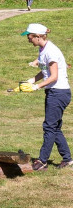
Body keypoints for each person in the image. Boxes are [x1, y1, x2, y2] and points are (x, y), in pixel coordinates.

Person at [24, 23, 71, 170]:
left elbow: (54, 76)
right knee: (55, 127)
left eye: (29, 37)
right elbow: (45, 72)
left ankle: (42, 161)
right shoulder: (42, 49)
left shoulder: (51, 51)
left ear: (38, 36)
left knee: (49, 127)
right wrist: (33, 79)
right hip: (53, 92)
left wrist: (36, 87)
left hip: (58, 92)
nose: (28, 39)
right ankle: (68, 159)